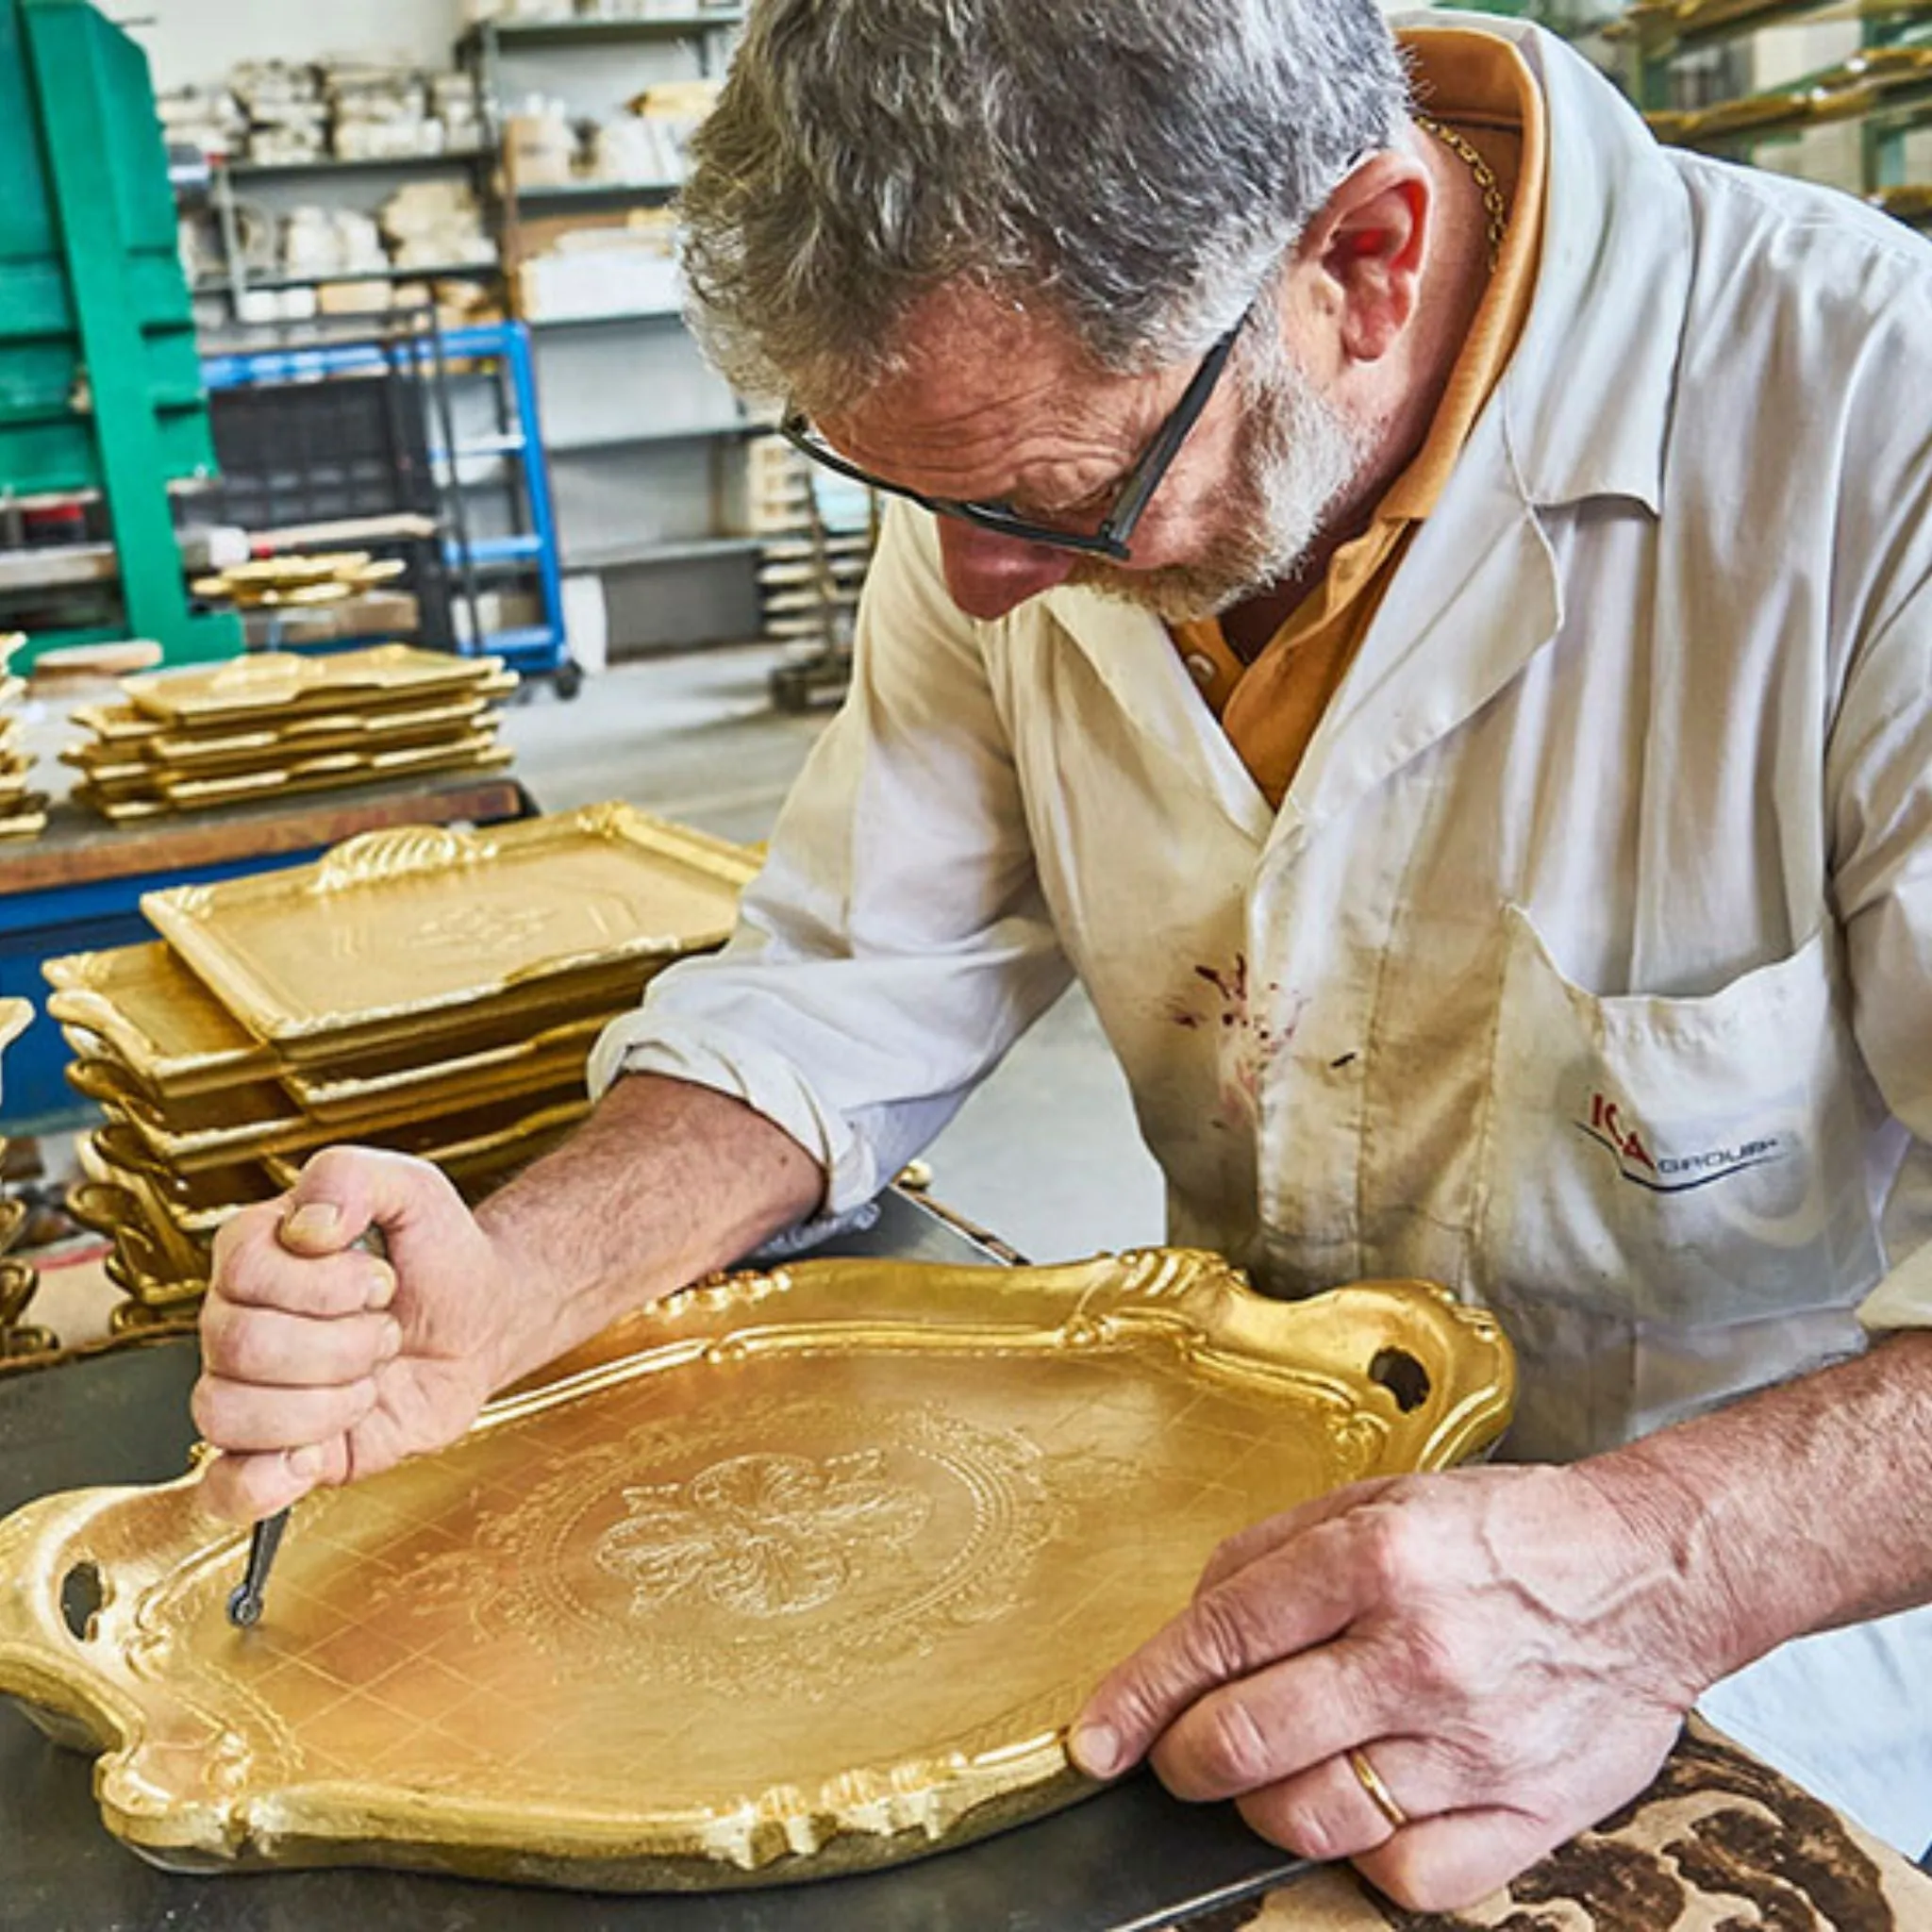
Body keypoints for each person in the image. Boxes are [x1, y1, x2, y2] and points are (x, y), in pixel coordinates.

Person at [192, 0, 1932, 1910]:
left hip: (1733, 1626)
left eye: (1044, 498)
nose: (973, 585)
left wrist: (1660, 1569)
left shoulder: (1868, 431)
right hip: (1227, 1557)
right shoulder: (1022, 435)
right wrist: (511, 1280)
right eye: (916, 499)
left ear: (1358, 263)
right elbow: (855, 975)